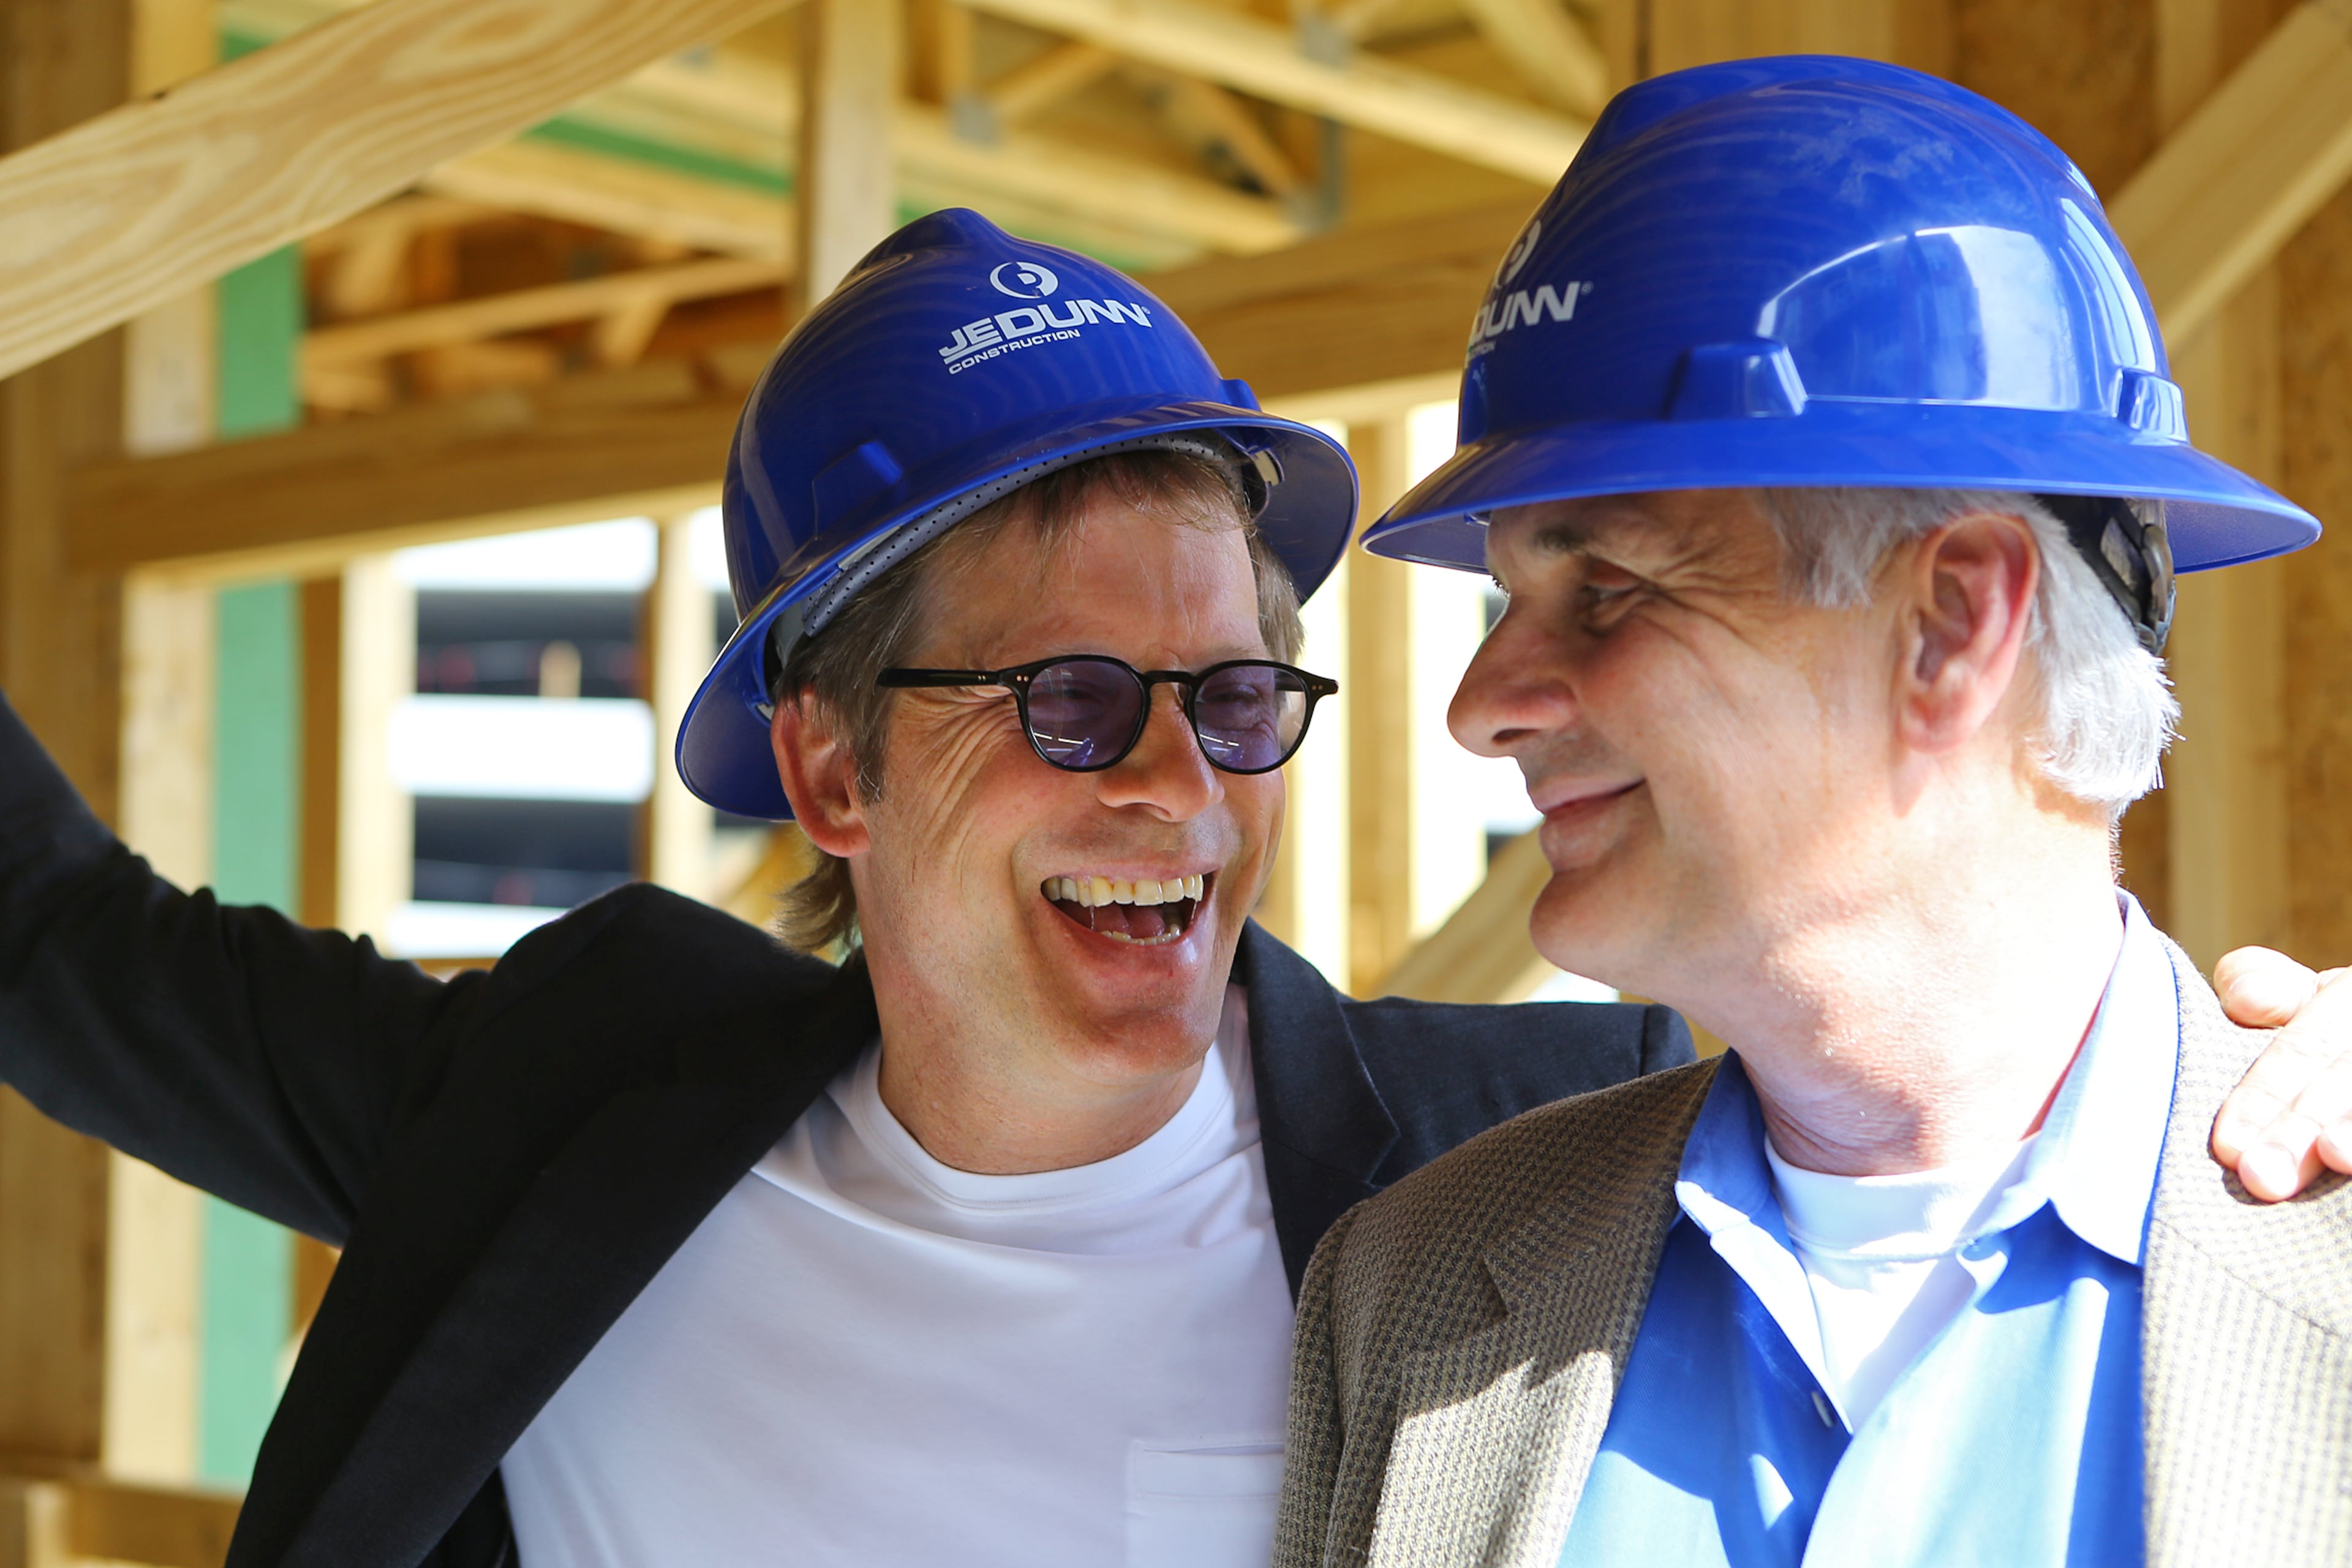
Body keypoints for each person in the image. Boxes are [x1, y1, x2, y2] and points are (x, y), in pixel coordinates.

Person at [0, 208, 2328, 1568]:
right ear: (828, 762)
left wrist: (2270, 1084)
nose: (1178, 793)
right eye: (1073, 703)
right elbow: (50, 945)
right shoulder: (569, 1097)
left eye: (1231, 699)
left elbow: (1976, 1095)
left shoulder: (1519, 1173)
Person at [1277, 58, 2352, 1568]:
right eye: (1505, 598)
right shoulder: (1404, 1292)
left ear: (1954, 624)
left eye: (1609, 588)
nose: (1481, 703)